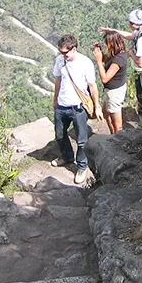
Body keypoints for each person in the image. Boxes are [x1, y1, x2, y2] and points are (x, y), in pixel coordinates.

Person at [51, 34, 103, 184]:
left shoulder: (85, 63)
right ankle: (67, 156)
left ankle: (82, 166)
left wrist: (97, 107)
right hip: (62, 105)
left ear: (73, 49)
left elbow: (93, 86)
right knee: (60, 135)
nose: (63, 55)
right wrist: (55, 100)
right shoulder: (60, 61)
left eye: (65, 52)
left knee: (81, 140)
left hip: (78, 107)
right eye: (61, 52)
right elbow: (58, 80)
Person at [99, 9, 142, 116]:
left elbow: (140, 63)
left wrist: (131, 53)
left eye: (130, 22)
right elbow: (130, 36)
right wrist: (112, 30)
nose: (129, 24)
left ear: (135, 23)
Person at [92, 32, 128, 134]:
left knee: (116, 121)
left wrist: (99, 61)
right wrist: (99, 52)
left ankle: (118, 137)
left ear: (113, 43)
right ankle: (113, 134)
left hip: (115, 92)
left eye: (106, 44)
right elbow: (106, 58)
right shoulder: (116, 53)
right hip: (111, 90)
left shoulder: (119, 59)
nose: (105, 46)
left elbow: (105, 78)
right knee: (105, 112)